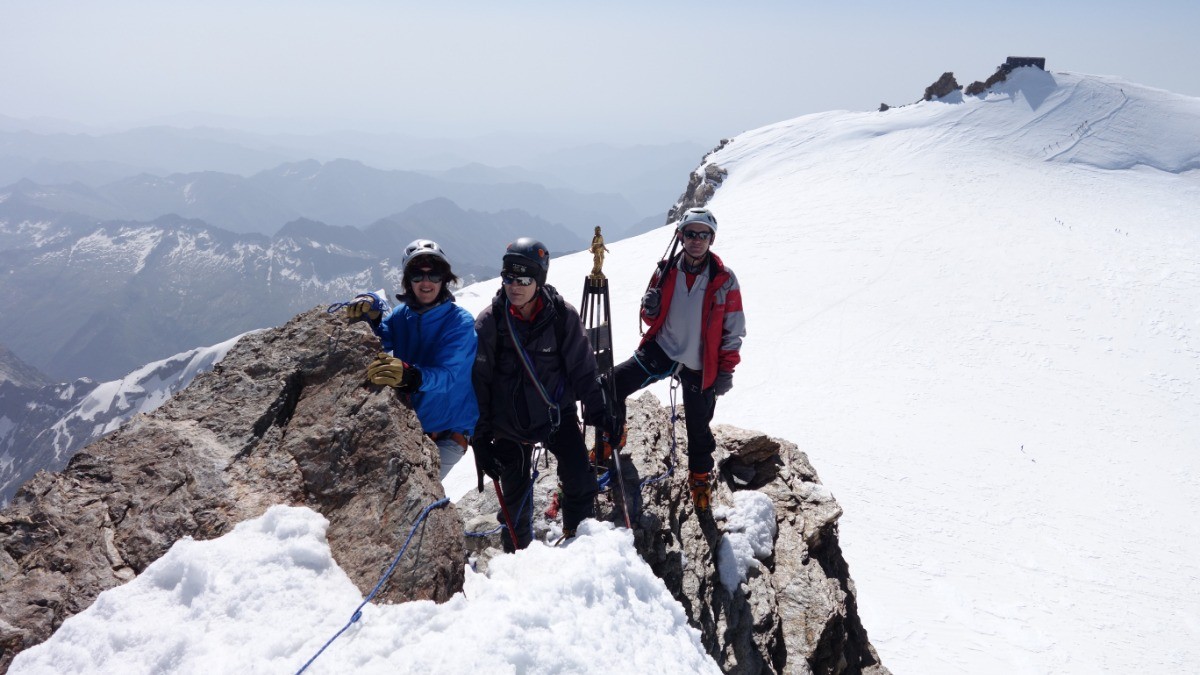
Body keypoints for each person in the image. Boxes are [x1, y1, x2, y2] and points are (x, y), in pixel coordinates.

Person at [470, 238, 609, 550]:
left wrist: (599, 410)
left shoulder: (562, 318)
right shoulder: (489, 324)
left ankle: (576, 540)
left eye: (524, 279)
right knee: (514, 505)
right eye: (508, 278)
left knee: (579, 480)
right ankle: (519, 560)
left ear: (539, 280)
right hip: (508, 426)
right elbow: (478, 384)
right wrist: (479, 438)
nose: (514, 287)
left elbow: (584, 370)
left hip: (555, 416)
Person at [608, 207, 745, 510]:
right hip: (663, 349)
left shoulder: (724, 280)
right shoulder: (666, 269)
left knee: (698, 426)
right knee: (612, 384)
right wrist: (651, 309)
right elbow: (648, 314)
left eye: (703, 234)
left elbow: (733, 329)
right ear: (681, 236)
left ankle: (699, 476)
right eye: (691, 233)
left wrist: (725, 371)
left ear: (712, 239)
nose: (696, 240)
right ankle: (614, 436)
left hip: (700, 362)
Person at [345, 239, 479, 480]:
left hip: (448, 435)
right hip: (414, 427)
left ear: (444, 279)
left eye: (434, 275)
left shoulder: (459, 323)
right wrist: (372, 314)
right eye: (417, 275)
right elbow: (379, 341)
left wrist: (411, 376)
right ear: (409, 281)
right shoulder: (402, 315)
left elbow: (448, 377)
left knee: (413, 494)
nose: (426, 282)